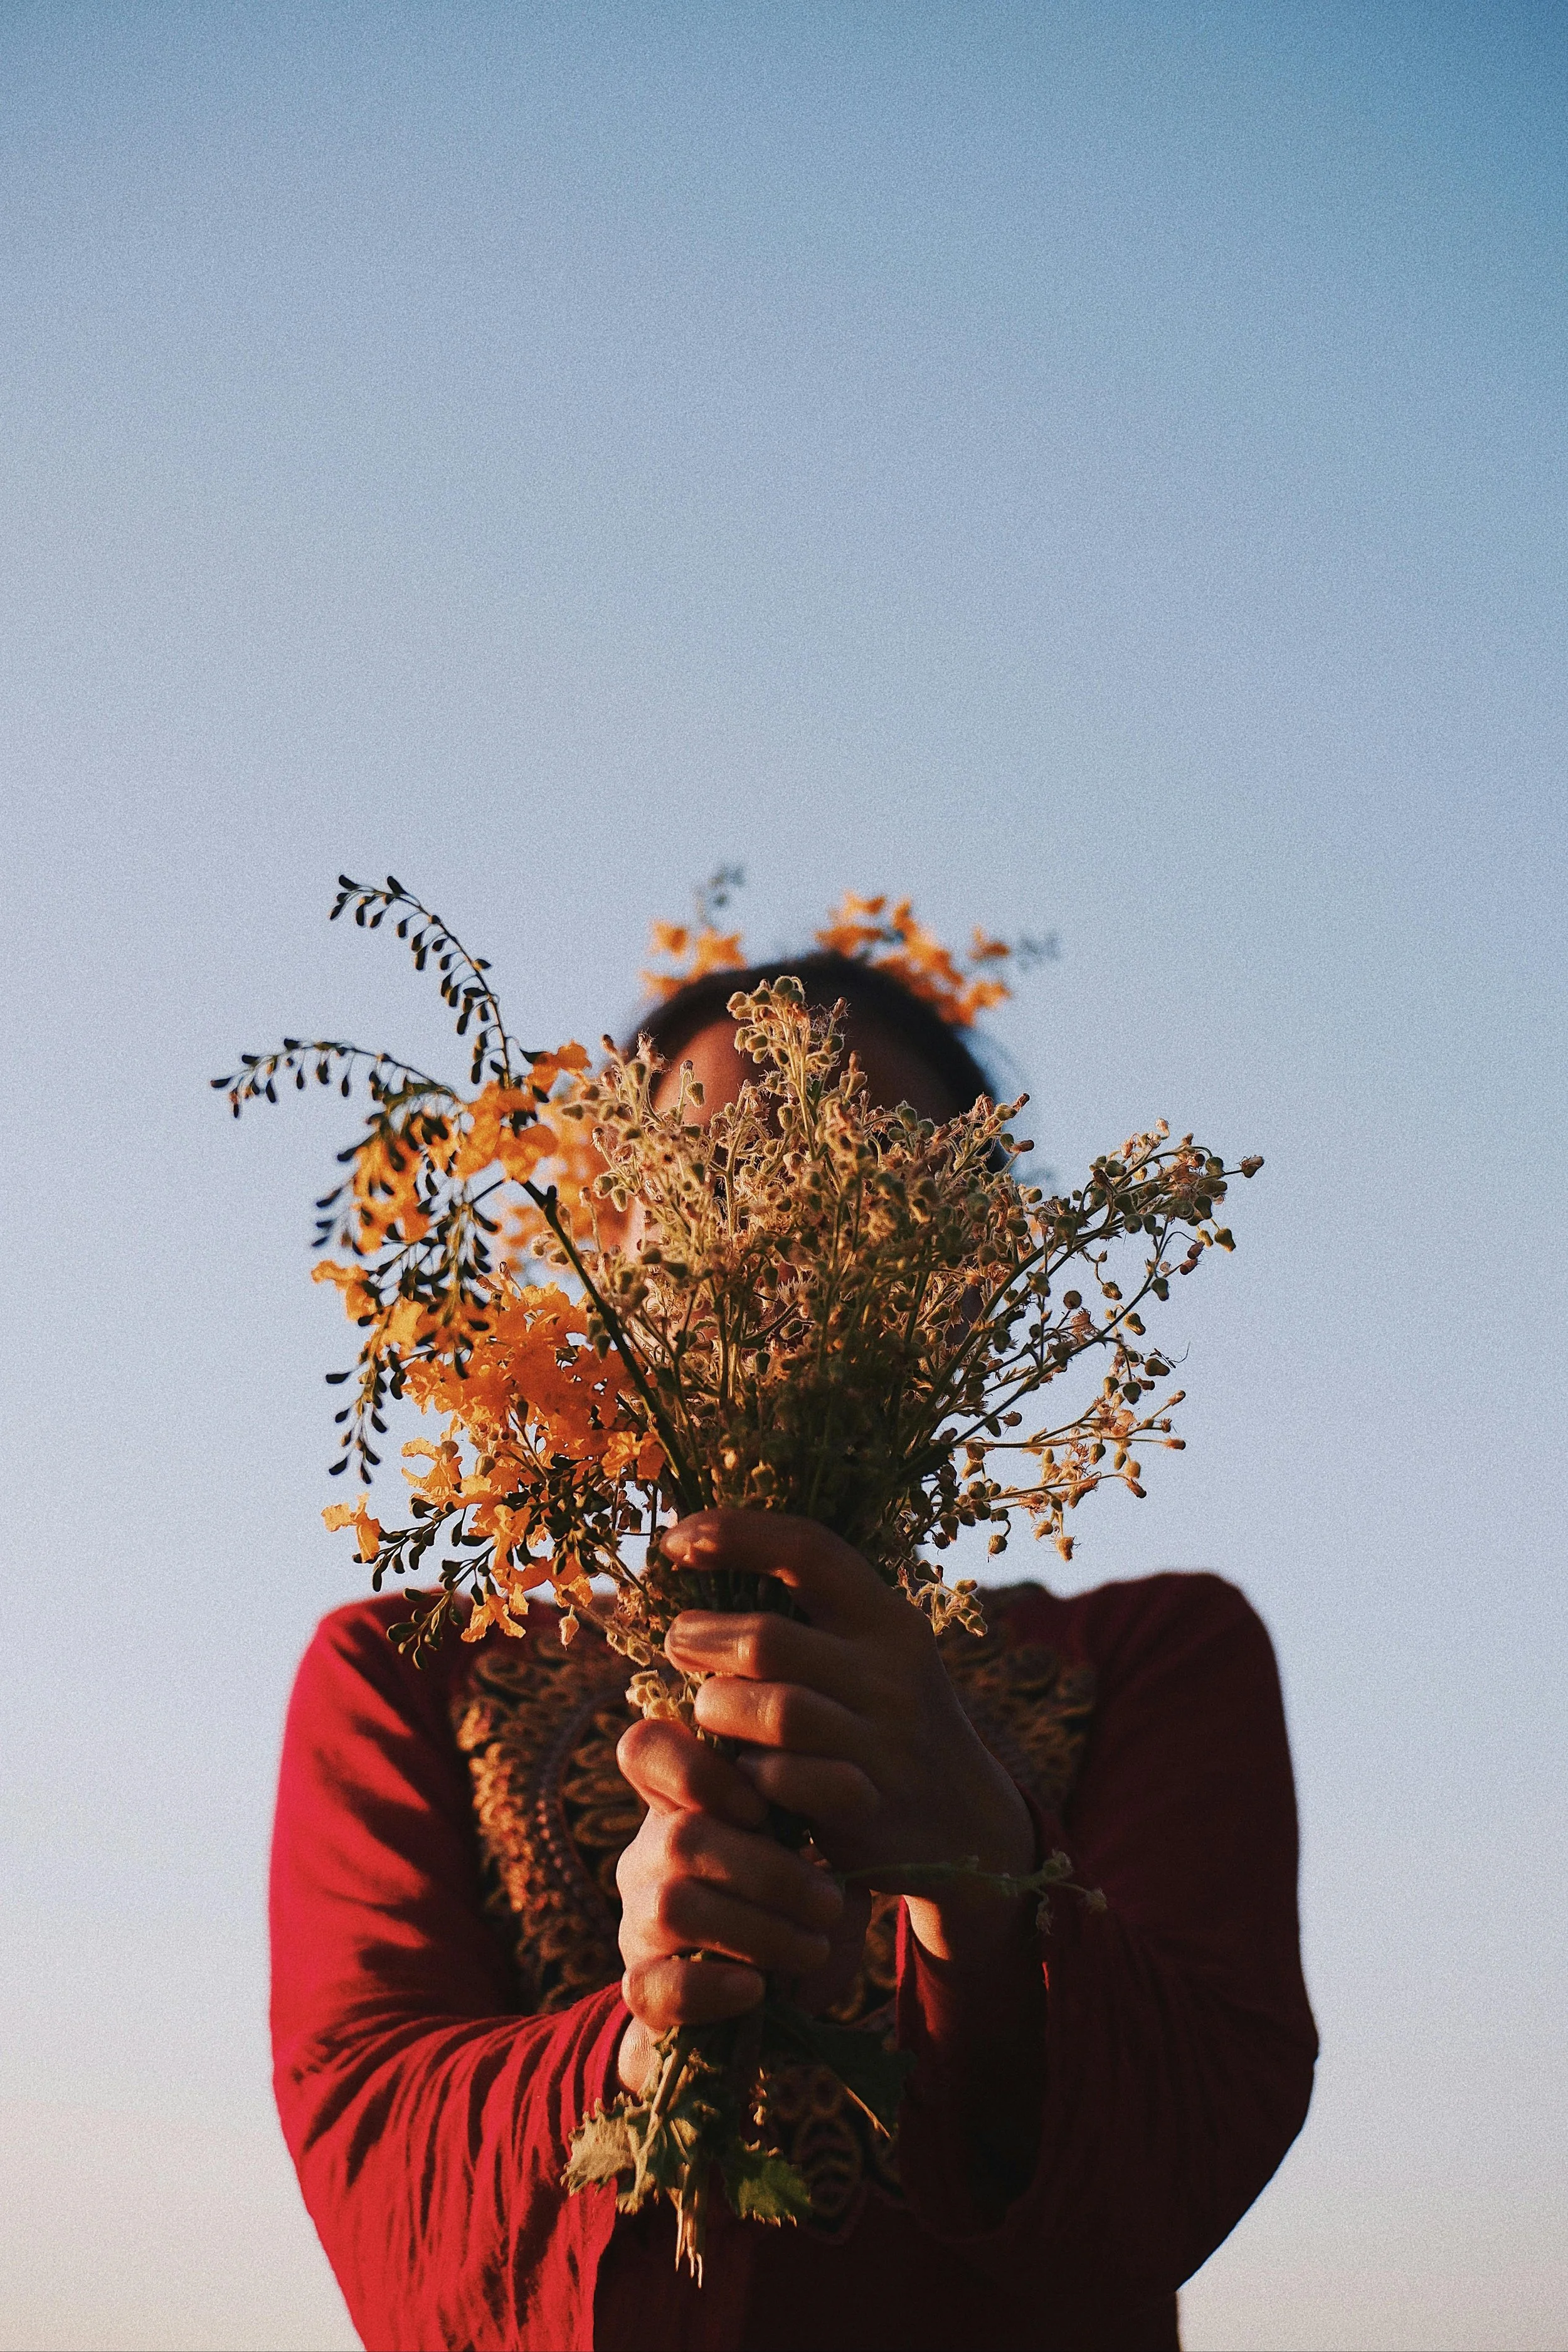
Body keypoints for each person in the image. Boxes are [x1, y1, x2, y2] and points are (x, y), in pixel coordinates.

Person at [270, 953, 1316, 2352]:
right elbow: (369, 2141)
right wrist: (637, 2038)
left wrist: (983, 1882)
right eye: (710, 1176)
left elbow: (1188, 2154)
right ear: (612, 1242)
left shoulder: (1146, 1658)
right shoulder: (412, 1666)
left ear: (981, 1269)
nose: (777, 1229)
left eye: (864, 1173)